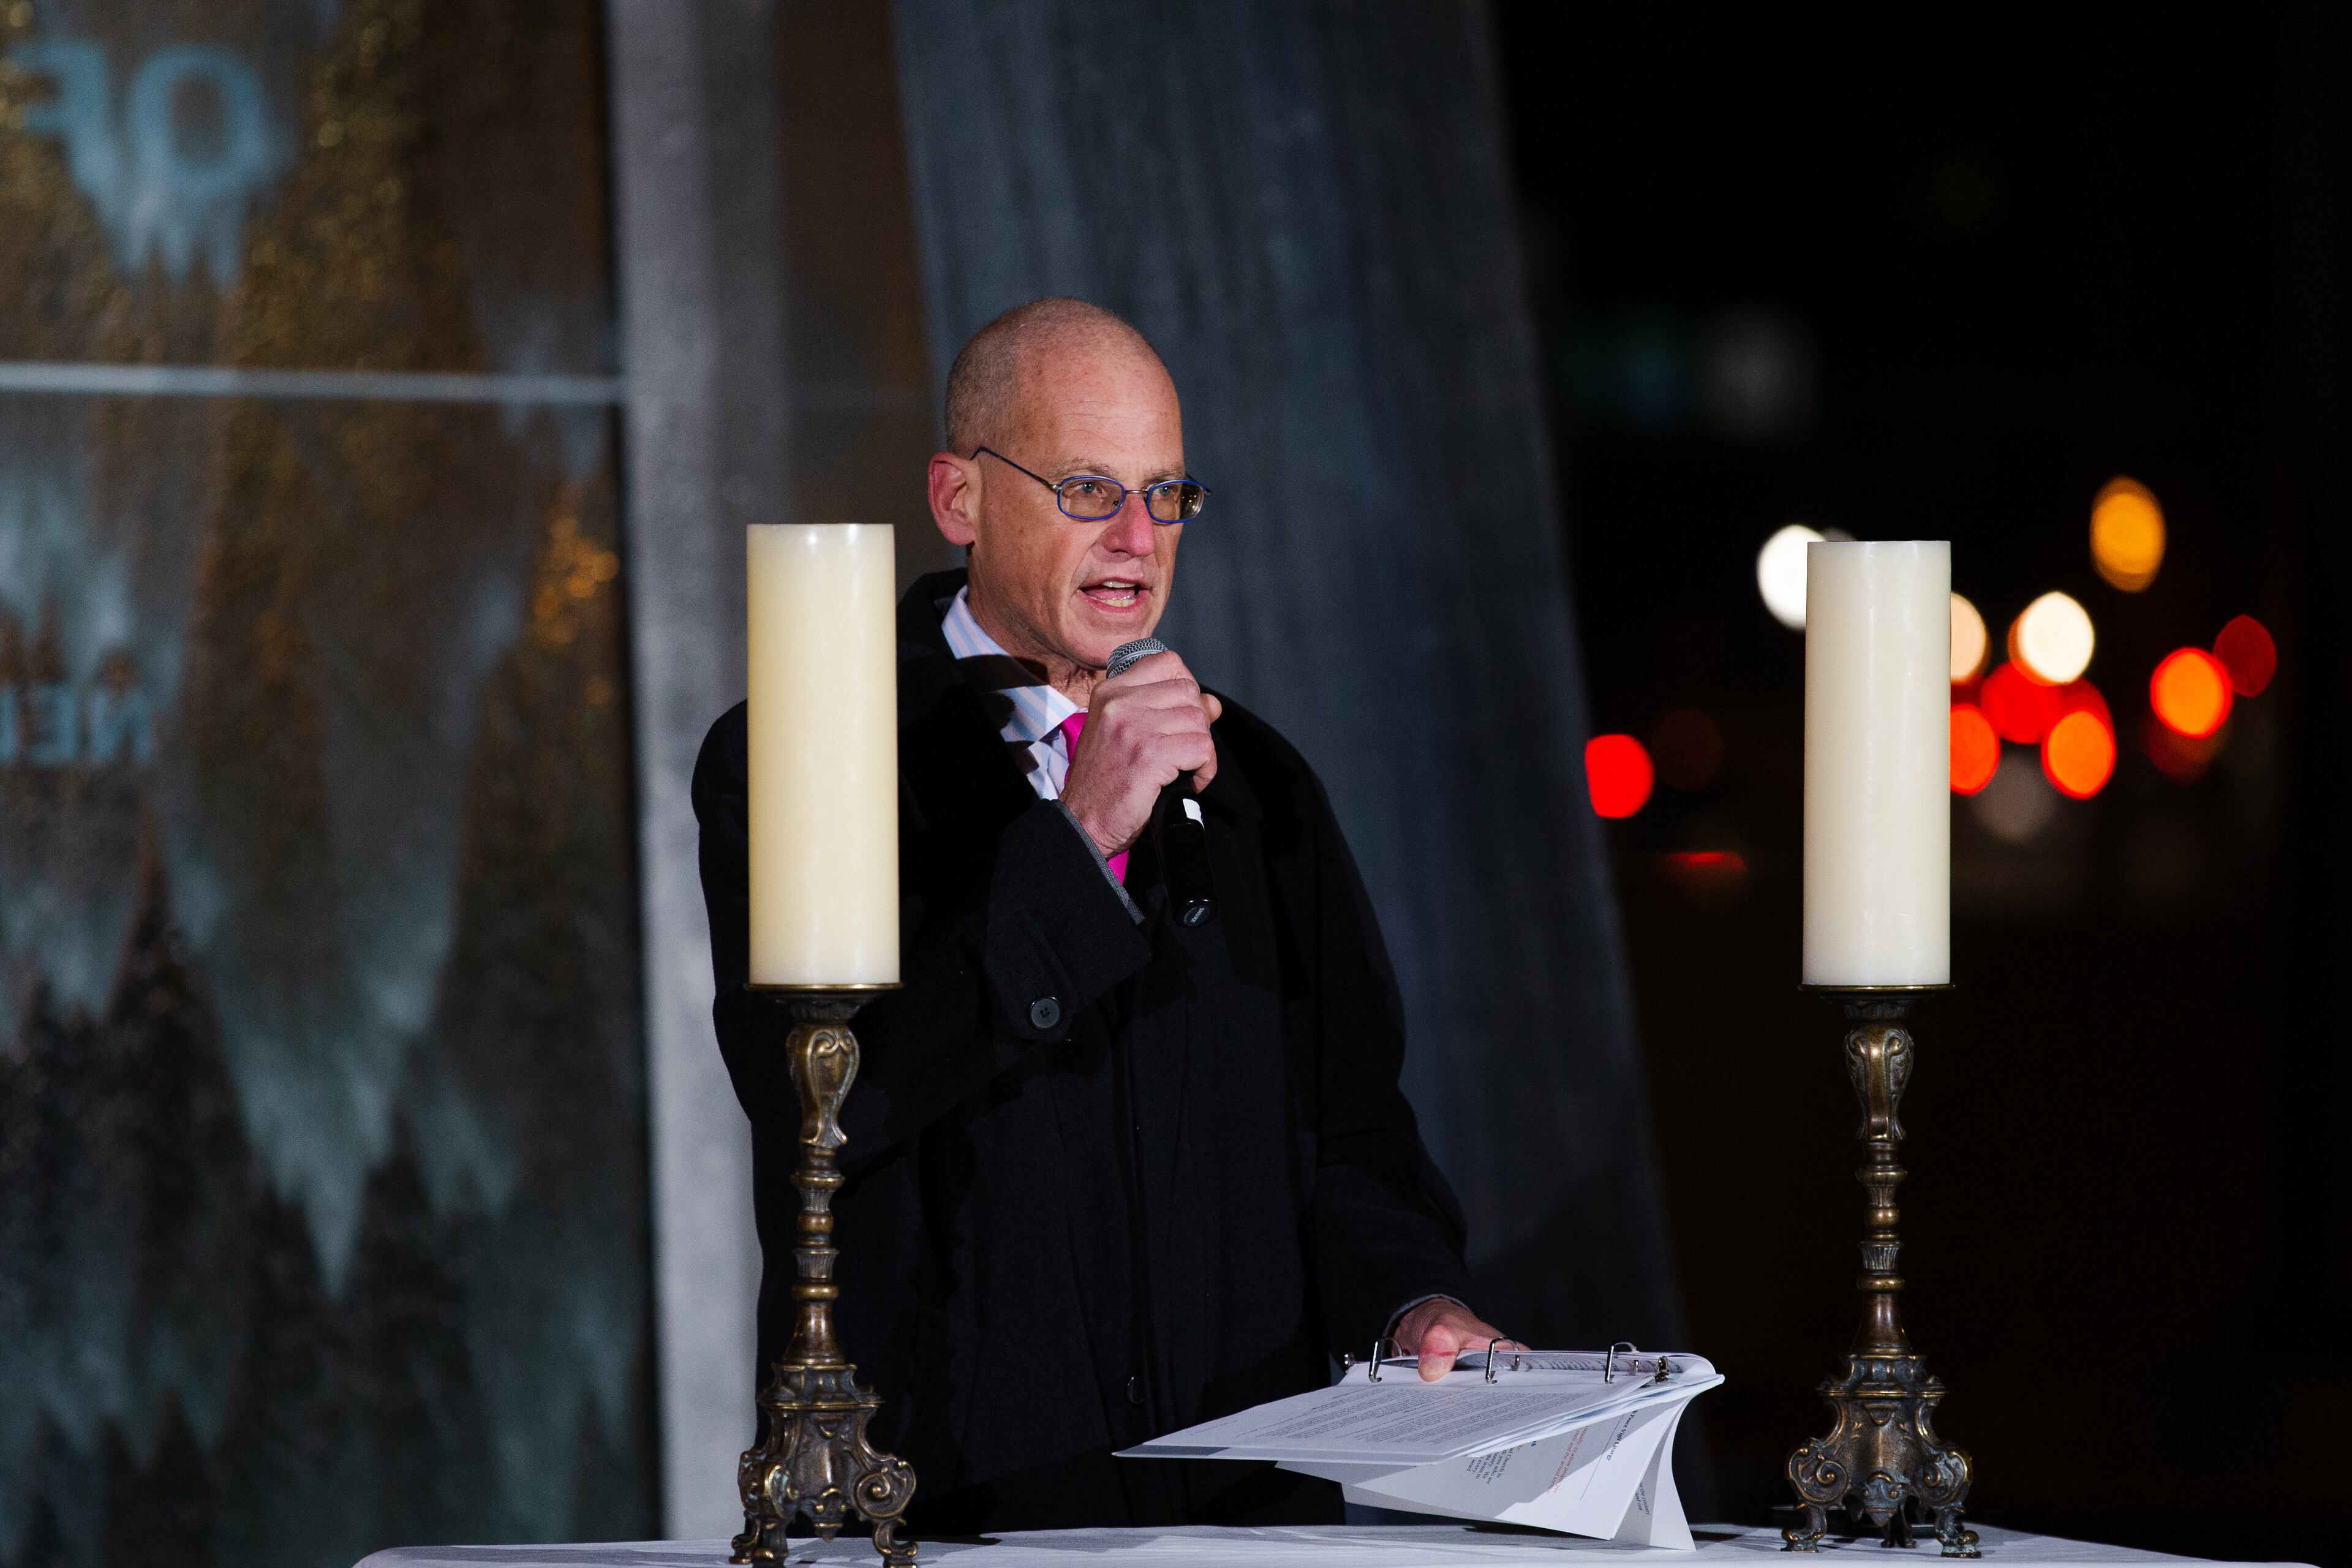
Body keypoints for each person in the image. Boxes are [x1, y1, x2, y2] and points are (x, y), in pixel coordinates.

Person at [695, 297, 1508, 1533]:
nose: (1138, 537)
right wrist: (1077, 840)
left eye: (1166, 494)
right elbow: (827, 1104)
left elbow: (1351, 1129)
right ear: (961, 499)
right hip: (949, 1507)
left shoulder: (1258, 782)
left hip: (1242, 1511)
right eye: (1087, 489)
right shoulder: (808, 753)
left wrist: (1412, 1303)